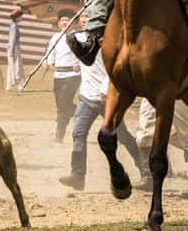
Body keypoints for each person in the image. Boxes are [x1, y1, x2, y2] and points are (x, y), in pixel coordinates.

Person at [59, 35, 143, 190]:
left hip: (106, 98)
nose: (85, 19)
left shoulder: (108, 40)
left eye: (88, 16)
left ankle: (145, 169)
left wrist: (105, 89)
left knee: (122, 136)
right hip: (86, 98)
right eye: (83, 16)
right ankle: (77, 176)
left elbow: (114, 69)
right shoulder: (80, 40)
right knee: (78, 133)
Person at [45, 8, 81, 144]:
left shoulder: (78, 37)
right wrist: (48, 62)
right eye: (62, 20)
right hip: (58, 75)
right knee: (62, 105)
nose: (64, 22)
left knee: (62, 104)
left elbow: (85, 55)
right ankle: (81, 112)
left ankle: (59, 134)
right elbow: (50, 53)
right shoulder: (55, 37)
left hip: (73, 75)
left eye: (68, 20)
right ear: (59, 22)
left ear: (74, 22)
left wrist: (79, 64)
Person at [6, 8, 25, 92]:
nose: (22, 18)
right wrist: (11, 49)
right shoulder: (14, 26)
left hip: (11, 47)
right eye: (21, 17)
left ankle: (9, 85)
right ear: (17, 17)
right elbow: (12, 38)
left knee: (11, 67)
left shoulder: (11, 24)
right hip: (14, 48)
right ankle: (20, 85)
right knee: (18, 67)